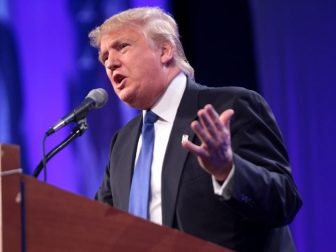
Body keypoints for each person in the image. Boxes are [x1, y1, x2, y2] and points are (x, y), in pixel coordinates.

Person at [89, 7, 302, 252]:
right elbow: (101, 222)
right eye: (104, 58)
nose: (111, 63)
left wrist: (228, 170)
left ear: (165, 50)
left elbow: (283, 200)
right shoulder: (123, 142)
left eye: (123, 46)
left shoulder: (230, 107)